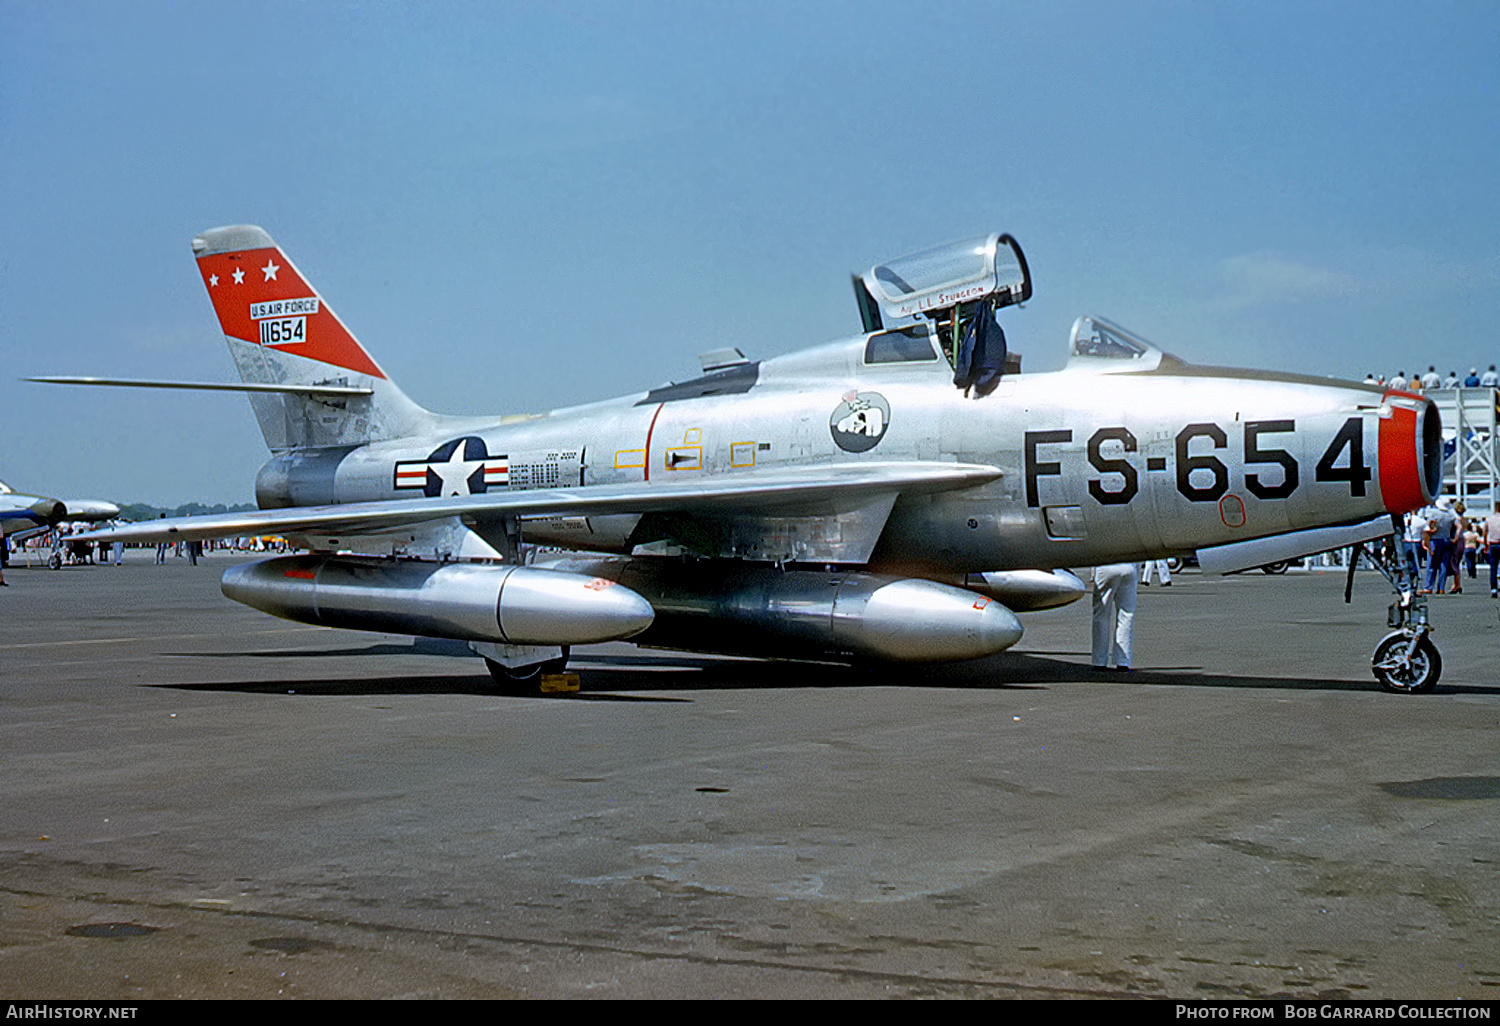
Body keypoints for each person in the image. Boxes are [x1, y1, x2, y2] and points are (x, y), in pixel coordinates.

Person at [1092, 563, 1138, 671]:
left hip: (1106, 566)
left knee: (1101, 615)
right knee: (1127, 614)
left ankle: (1100, 661)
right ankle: (1123, 661)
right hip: (1129, 567)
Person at [1484, 501, 1500, 598]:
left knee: (1493, 568)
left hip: (1493, 544)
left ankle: (1493, 589)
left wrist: (1486, 544)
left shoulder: (1489, 519)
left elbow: (1485, 532)